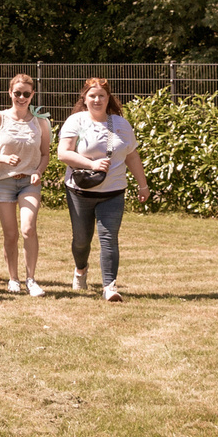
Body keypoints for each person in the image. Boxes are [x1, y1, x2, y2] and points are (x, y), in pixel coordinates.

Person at [59, 76, 150, 301]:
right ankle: (80, 270)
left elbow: (131, 155)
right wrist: (91, 164)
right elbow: (63, 153)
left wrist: (143, 184)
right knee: (81, 239)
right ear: (85, 98)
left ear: (108, 98)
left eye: (101, 96)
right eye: (92, 96)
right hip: (80, 191)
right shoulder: (76, 121)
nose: (97, 100)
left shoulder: (121, 124)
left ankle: (109, 287)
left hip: (114, 192)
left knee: (109, 238)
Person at [0, 74, 55, 296]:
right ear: (10, 93)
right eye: (17, 93)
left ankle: (31, 279)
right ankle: (13, 278)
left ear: (32, 95)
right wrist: (4, 159)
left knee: (28, 228)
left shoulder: (40, 122)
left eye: (26, 94)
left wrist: (38, 172)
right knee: (11, 234)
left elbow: (46, 154)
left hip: (28, 182)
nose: (22, 98)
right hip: (2, 181)